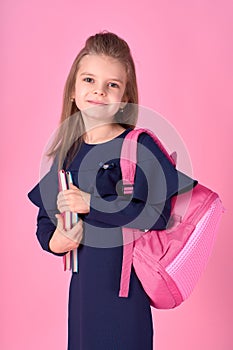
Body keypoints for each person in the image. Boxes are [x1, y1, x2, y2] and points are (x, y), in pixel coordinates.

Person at [28, 32, 196, 350]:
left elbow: (158, 213)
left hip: (126, 292)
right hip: (82, 294)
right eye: (89, 79)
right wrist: (56, 241)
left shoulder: (139, 146)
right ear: (74, 91)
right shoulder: (68, 152)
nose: (99, 91)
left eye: (112, 85)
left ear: (124, 97)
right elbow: (45, 221)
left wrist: (92, 203)